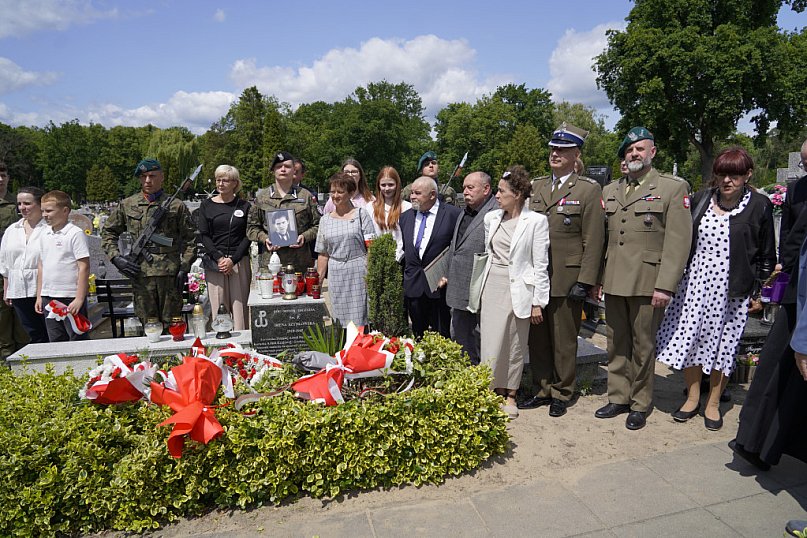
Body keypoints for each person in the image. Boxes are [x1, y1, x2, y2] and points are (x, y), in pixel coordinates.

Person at [656, 147, 775, 431]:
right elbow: (682, 240)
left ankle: (713, 402)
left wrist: (761, 294)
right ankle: (693, 398)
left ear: (747, 175)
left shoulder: (759, 205)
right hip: (694, 285)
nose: (727, 181)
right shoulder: (700, 200)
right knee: (690, 342)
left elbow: (766, 254)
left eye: (734, 175)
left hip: (732, 290)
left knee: (723, 347)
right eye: (722, 174)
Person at [594, 127, 692, 430]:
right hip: (614, 279)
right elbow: (603, 240)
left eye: (640, 149)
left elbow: (678, 242)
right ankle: (618, 397)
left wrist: (665, 285)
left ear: (653, 152)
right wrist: (598, 280)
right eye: (629, 150)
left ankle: (639, 403)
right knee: (615, 342)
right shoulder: (610, 190)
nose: (634, 154)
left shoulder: (672, 188)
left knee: (643, 345)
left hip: (648, 281)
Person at [731, 139, 807, 469]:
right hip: (796, 289)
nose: (805, 169)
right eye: (804, 163)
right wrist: (781, 276)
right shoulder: (798, 189)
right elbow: (790, 236)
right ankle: (755, 442)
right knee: (774, 367)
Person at [521, 123, 605, 417]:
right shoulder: (538, 187)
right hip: (537, 278)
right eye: (553, 148)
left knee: (564, 340)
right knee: (538, 339)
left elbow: (594, 239)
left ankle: (562, 392)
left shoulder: (587, 190)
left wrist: (586, 280)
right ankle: (541, 389)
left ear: (576, 153)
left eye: (563, 149)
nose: (555, 153)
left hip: (567, 278)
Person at [479, 166, 550, 419]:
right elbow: (488, 255)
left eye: (501, 191)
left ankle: (510, 394)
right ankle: (491, 391)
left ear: (517, 193)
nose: (496, 196)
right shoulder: (491, 218)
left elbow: (540, 264)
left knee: (515, 343)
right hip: (493, 284)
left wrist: (538, 302)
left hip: (520, 289)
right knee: (490, 341)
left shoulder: (536, 222)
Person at [101, 158, 197, 325]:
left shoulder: (176, 205)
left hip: (170, 275)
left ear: (162, 177)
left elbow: (192, 239)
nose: (147, 180)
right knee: (149, 325)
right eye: (143, 176)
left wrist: (185, 265)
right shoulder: (128, 204)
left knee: (173, 325)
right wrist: (116, 258)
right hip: (140, 274)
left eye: (152, 176)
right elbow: (108, 232)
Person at [443, 171, 497, 365]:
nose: (465, 192)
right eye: (464, 187)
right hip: (459, 285)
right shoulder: (465, 211)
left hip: (481, 286)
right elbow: (455, 246)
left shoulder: (496, 212)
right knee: (460, 334)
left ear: (486, 189)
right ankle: (466, 372)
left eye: (470, 188)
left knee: (479, 337)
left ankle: (481, 374)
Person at [399, 176, 461, 338]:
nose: (412, 196)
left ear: (432, 195)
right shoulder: (405, 217)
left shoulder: (453, 215)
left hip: (440, 287)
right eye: (412, 192)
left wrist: (448, 274)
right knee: (418, 336)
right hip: (414, 287)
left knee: (442, 336)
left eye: (418, 193)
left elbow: (458, 249)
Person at [315, 172, 376, 327]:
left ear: (350, 193)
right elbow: (323, 253)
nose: (335, 195)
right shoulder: (325, 220)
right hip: (336, 273)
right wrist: (318, 281)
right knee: (339, 321)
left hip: (358, 272)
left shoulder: (361, 214)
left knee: (360, 320)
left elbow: (372, 247)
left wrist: (370, 275)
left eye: (340, 191)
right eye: (333, 191)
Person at [197, 165, 251, 330]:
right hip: (216, 264)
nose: (220, 184)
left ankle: (242, 349)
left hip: (239, 262)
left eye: (225, 180)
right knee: (219, 308)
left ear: (235, 183)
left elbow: (248, 235)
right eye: (218, 179)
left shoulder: (244, 206)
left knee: (240, 307)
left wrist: (233, 260)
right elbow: (204, 235)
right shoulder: (206, 205)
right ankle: (222, 347)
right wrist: (220, 258)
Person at [247, 151, 320, 273]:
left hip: (299, 265)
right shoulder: (262, 198)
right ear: (273, 171)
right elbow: (251, 228)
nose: (283, 170)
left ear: (293, 171)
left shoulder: (306, 196)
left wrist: (304, 237)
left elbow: (319, 226)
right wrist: (265, 238)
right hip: (270, 264)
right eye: (279, 167)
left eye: (287, 166)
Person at [35, 190, 90, 342]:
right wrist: (40, 295)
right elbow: (41, 265)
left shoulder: (74, 233)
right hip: (49, 296)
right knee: (56, 340)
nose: (45, 215)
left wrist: (79, 298)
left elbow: (83, 267)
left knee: (76, 338)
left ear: (65, 210)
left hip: (70, 296)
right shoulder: (44, 233)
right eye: (43, 211)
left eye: (49, 211)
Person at [0, 187, 49, 343]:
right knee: (33, 334)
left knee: (49, 332)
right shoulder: (12, 230)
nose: (22, 207)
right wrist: (7, 289)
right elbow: (5, 261)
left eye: (27, 203)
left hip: (43, 288)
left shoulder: (48, 229)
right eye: (20, 203)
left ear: (39, 204)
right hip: (18, 288)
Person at [0, 162, 30, 358]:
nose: (0, 179)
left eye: (3, 174)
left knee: (21, 319)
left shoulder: (17, 204)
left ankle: (22, 359)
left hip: (16, 269)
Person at [367, 166, 411, 261]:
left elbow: (406, 238)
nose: (386, 189)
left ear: (397, 185)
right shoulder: (370, 207)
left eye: (391, 185)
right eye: (383, 185)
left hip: (400, 259)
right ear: (378, 185)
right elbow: (368, 235)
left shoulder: (407, 207)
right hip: (376, 259)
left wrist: (396, 257)